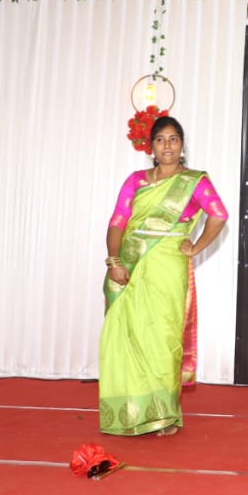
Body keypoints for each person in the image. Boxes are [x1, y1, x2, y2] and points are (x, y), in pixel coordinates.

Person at [99, 115, 228, 436]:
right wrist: (114, 261)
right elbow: (117, 222)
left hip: (167, 267)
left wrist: (195, 247)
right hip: (129, 266)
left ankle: (164, 415)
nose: (167, 145)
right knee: (127, 336)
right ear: (151, 147)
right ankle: (130, 412)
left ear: (182, 145)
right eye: (160, 140)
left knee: (162, 338)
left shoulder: (195, 182)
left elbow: (219, 214)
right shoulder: (136, 181)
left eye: (173, 139)